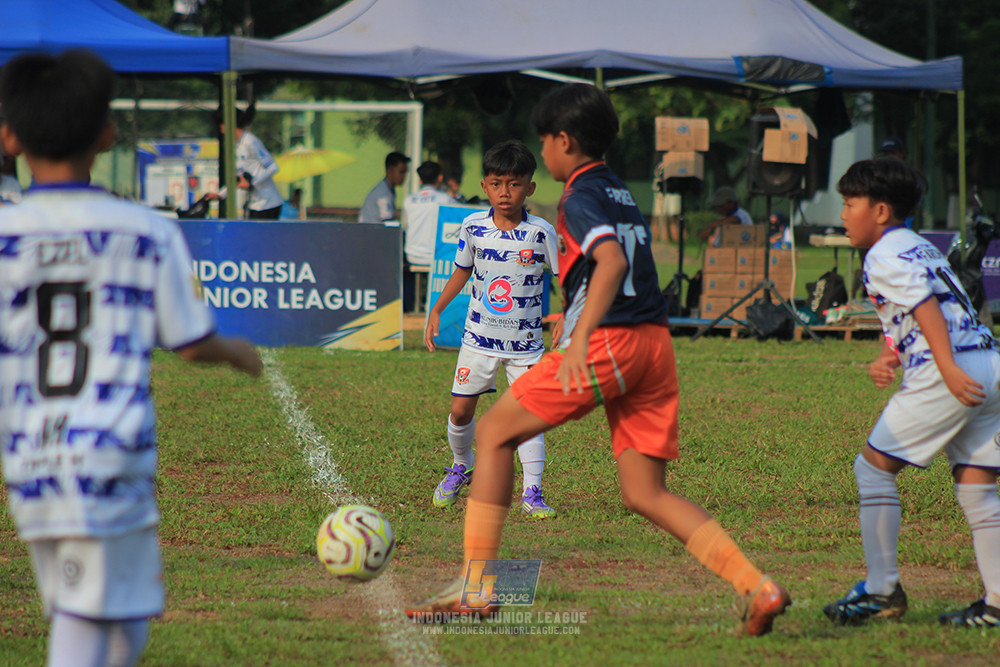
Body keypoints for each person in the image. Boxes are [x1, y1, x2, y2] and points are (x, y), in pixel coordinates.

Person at [406, 84, 791, 636]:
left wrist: (581, 339)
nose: (544, 151)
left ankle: (477, 593)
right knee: (644, 492)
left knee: (491, 435)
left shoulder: (578, 197)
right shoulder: (619, 190)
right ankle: (758, 586)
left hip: (612, 342)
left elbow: (608, 262)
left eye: (545, 141)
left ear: (565, 141)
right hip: (655, 344)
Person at [0, 50, 263, 667]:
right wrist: (238, 352)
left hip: (29, 453)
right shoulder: (143, 230)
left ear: (8, 136)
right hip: (107, 451)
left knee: (117, 619)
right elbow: (191, 340)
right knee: (84, 611)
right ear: (108, 132)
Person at [824, 157, 1000, 629]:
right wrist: (892, 354)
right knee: (977, 487)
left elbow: (924, 307)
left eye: (849, 203)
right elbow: (936, 305)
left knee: (873, 468)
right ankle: (998, 603)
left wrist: (944, 368)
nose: (843, 213)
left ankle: (881, 589)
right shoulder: (920, 246)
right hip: (989, 362)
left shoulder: (881, 254)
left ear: (880, 211)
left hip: (950, 372)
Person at [423, 140, 557, 519]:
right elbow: (462, 270)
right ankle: (461, 466)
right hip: (479, 339)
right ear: (484, 185)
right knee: (461, 409)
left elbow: (567, 276)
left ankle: (533, 491)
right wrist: (437, 308)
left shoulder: (542, 233)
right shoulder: (473, 227)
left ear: (529, 188)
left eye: (514, 184)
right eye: (497, 183)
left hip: (527, 345)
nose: (505, 192)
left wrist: (567, 317)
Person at [213, 105, 284, 220]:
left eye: (222, 124)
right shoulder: (236, 145)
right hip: (254, 203)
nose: (221, 129)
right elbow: (238, 179)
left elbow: (273, 167)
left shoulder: (251, 141)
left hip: (268, 203)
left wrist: (253, 183)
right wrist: (221, 194)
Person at [403, 161, 455, 267]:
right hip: (436, 256)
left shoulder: (408, 200)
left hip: (412, 255)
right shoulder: (445, 199)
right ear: (440, 178)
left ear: (420, 180)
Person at [359, 151, 410, 223]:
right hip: (370, 232)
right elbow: (388, 223)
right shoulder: (383, 194)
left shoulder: (387, 189)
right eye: (401, 172)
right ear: (389, 171)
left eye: (405, 172)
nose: (404, 176)